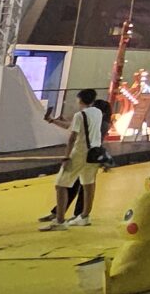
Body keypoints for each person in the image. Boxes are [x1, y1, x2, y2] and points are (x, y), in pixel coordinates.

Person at [41, 87, 104, 228]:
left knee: (61, 184)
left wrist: (66, 156)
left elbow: (72, 136)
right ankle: (84, 216)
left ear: (80, 99)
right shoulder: (97, 113)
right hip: (95, 153)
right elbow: (74, 127)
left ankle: (60, 220)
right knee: (88, 184)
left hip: (80, 152)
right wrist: (52, 121)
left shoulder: (79, 115)